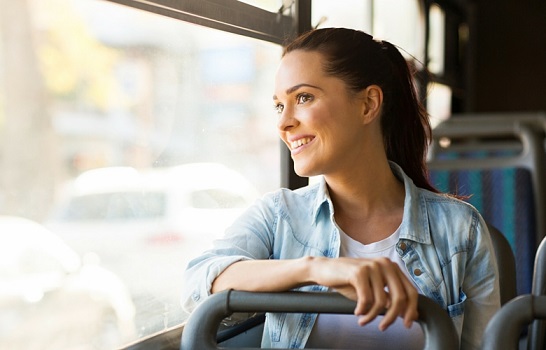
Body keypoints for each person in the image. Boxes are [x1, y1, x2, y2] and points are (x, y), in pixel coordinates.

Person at [181, 27, 500, 349]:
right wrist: (316, 269)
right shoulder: (280, 216)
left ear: (368, 104)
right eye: (279, 105)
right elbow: (198, 284)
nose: (283, 123)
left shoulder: (460, 230)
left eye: (303, 97)